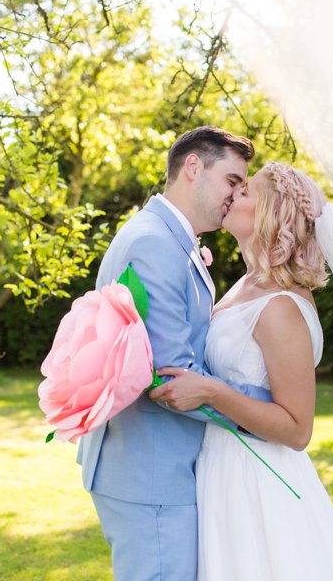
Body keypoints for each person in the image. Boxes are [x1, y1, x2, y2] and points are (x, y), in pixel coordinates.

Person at [77, 126, 275, 581]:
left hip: (156, 466)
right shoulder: (155, 243)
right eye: (231, 180)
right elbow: (172, 378)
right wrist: (269, 409)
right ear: (192, 167)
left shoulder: (170, 239)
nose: (236, 194)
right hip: (151, 472)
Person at [149, 162, 333, 580]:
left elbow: (298, 429)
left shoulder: (281, 307)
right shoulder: (249, 285)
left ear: (270, 215)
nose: (232, 194)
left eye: (245, 192)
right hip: (224, 470)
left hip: (259, 486)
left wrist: (210, 393)